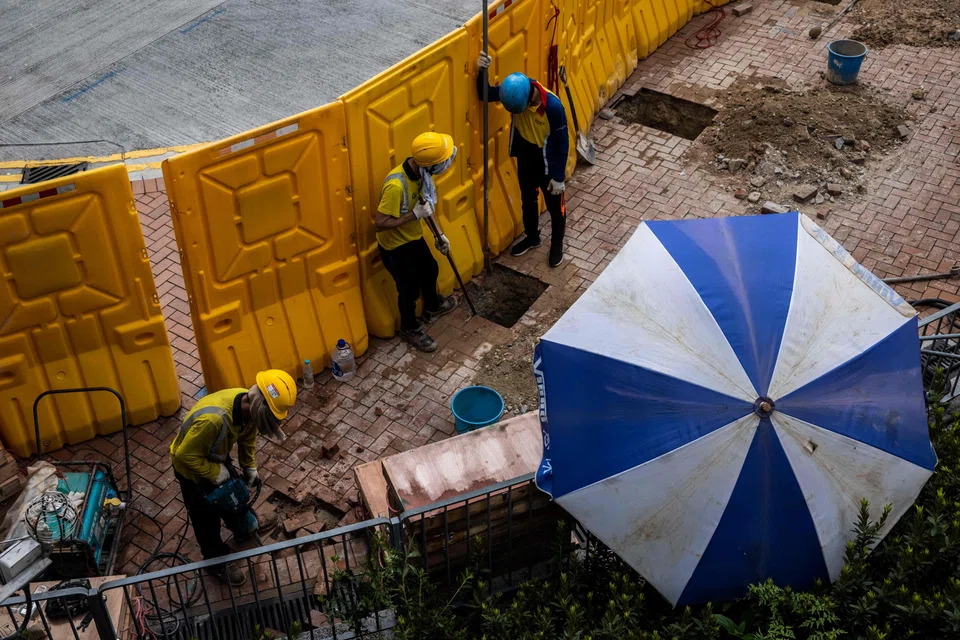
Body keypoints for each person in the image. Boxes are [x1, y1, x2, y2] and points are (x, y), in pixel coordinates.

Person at [169, 369, 296, 585]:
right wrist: (214, 473)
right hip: (191, 471)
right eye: (274, 416)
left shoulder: (247, 408)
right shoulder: (214, 420)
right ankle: (215, 560)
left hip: (214, 455)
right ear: (261, 404)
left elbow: (248, 437)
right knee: (206, 519)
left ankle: (241, 529)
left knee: (234, 495)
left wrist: (249, 467)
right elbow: (184, 454)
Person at [477, 52, 569, 267]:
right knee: (527, 200)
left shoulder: (553, 108)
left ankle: (557, 244)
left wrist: (558, 177)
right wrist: (483, 70)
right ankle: (532, 237)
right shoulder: (514, 89)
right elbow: (485, 93)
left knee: (556, 208)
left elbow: (562, 143)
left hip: (548, 162)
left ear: (531, 97)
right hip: (527, 156)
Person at [376, 131, 459, 352]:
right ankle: (410, 328)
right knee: (408, 289)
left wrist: (439, 235)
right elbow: (380, 222)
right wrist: (413, 215)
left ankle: (432, 306)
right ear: (431, 165)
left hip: (413, 238)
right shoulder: (396, 186)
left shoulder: (422, 175)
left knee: (430, 269)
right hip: (395, 248)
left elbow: (427, 208)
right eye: (442, 162)